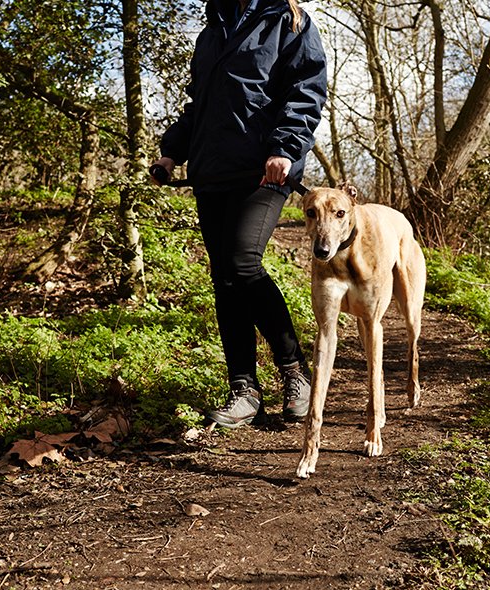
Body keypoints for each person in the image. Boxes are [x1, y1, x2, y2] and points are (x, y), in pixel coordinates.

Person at [152, 0, 327, 428]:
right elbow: (201, 105)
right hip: (213, 170)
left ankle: (295, 373)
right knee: (224, 278)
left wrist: (285, 149)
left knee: (242, 262)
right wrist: (172, 152)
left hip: (265, 169)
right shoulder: (212, 30)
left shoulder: (290, 23)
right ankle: (244, 390)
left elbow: (305, 91)